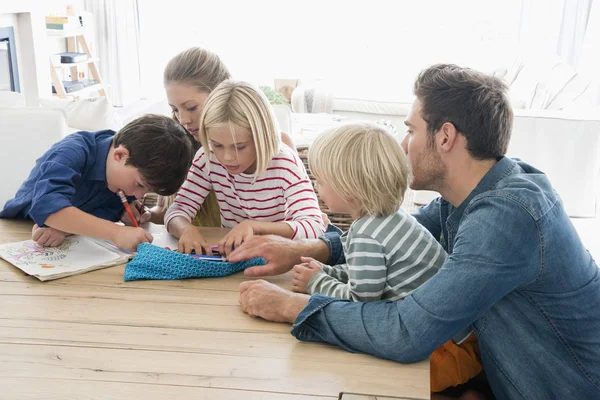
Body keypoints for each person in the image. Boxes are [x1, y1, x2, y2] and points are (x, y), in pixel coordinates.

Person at [232, 64, 600, 399]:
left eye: (411, 130)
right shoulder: (474, 192)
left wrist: (293, 307)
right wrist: (301, 251)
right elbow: (388, 234)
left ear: (445, 137)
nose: (403, 145)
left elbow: (407, 332)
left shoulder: (505, 217)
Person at [292, 122, 483, 396]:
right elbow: (368, 276)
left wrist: (317, 284)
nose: (316, 187)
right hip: (461, 338)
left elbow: (361, 300)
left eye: (320, 181)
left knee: (370, 379)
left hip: (447, 350)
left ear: (348, 190)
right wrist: (327, 272)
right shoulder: (388, 220)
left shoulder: (366, 235)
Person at [165, 80, 326, 257]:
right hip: (232, 257)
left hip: (278, 259)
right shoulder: (207, 158)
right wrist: (186, 229)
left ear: (262, 137)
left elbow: (314, 226)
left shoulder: (284, 163)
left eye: (239, 147)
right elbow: (177, 210)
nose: (227, 157)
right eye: (217, 144)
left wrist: (254, 226)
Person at [0, 114, 193, 252]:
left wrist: (122, 213)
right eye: (140, 185)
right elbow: (48, 207)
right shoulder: (72, 151)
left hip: (60, 239)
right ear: (120, 155)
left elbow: (98, 213)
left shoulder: (120, 177)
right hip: (15, 231)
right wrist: (116, 233)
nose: (140, 195)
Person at [153, 47, 296, 226]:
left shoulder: (279, 148)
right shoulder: (178, 147)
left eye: (191, 107)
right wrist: (144, 215)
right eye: (175, 109)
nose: (183, 120)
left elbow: (301, 215)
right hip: (202, 250)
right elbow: (167, 211)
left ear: (222, 97)